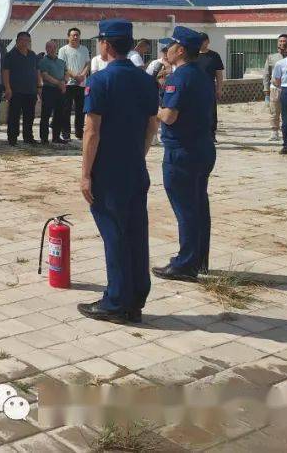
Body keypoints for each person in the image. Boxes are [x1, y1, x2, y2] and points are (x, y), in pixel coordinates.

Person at [78, 19, 159, 324]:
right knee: (136, 233)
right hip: (135, 168)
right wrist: (137, 156)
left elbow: (92, 131)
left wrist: (86, 174)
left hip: (109, 172)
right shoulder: (146, 81)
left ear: (106, 45)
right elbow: (152, 127)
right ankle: (135, 298)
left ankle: (116, 302)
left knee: (114, 234)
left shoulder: (100, 81)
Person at [153, 27, 217, 282]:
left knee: (186, 208)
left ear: (180, 50)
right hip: (202, 147)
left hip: (182, 151)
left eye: (169, 46)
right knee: (199, 205)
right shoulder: (201, 74)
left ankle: (185, 264)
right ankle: (199, 259)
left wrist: (152, 108)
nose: (166, 50)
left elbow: (169, 116)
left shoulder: (179, 77)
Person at [3, 31, 41, 146]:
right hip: (15, 91)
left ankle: (28, 137)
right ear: (17, 41)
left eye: (27, 40)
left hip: (31, 91)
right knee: (14, 116)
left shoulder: (32, 55)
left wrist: (39, 86)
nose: (24, 42)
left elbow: (37, 71)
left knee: (29, 116)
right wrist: (7, 88)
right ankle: (12, 138)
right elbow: (5, 72)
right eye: (22, 40)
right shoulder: (10, 55)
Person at [58, 28, 90, 141]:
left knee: (80, 109)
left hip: (81, 84)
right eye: (73, 35)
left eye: (77, 35)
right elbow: (63, 66)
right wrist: (75, 76)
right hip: (68, 84)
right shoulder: (63, 50)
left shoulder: (84, 49)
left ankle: (79, 131)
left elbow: (87, 63)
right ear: (68, 37)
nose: (75, 37)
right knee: (66, 109)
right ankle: (65, 132)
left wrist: (82, 76)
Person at [38, 39, 69, 145]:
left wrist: (64, 82)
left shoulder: (61, 62)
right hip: (49, 90)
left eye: (54, 47)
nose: (52, 49)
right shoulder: (43, 61)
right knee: (46, 115)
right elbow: (45, 76)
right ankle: (44, 138)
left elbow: (66, 73)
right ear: (46, 49)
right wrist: (59, 83)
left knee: (59, 114)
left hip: (60, 90)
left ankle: (56, 137)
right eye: (49, 47)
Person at [194, 33, 224, 141]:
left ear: (208, 41)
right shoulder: (193, 55)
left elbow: (219, 74)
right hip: (194, 88)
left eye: (203, 41)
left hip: (209, 87)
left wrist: (219, 88)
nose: (201, 43)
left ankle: (211, 134)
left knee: (211, 111)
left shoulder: (214, 56)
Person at [264, 34, 287, 142]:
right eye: (280, 41)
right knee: (274, 111)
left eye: (285, 41)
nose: (282, 43)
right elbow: (266, 74)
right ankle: (274, 132)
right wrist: (266, 90)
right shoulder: (271, 57)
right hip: (275, 89)